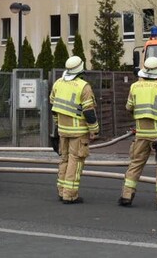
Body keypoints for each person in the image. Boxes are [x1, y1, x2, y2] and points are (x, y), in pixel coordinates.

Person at [119, 56, 157, 210]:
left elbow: (128, 108)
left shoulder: (135, 86)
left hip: (140, 132)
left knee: (135, 164)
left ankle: (126, 195)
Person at [49, 56, 99, 204]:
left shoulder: (58, 83)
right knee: (75, 161)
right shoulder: (84, 87)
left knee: (64, 159)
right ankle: (70, 195)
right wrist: (94, 130)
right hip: (78, 131)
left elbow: (54, 106)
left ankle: (62, 190)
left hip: (63, 130)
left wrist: (58, 124)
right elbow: (89, 112)